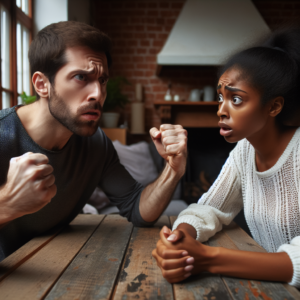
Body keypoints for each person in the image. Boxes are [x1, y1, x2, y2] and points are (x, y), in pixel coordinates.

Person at [0, 21, 187, 261]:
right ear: (42, 84)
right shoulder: (3, 136)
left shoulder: (96, 144)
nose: (98, 94)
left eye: (102, 81)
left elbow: (137, 209)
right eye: (81, 77)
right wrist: (7, 203)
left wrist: (173, 169)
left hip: (57, 271)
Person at [152, 27, 300, 288]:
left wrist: (208, 259)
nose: (221, 110)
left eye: (236, 99)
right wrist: (179, 240)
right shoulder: (244, 151)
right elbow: (209, 208)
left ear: (274, 106)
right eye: (221, 97)